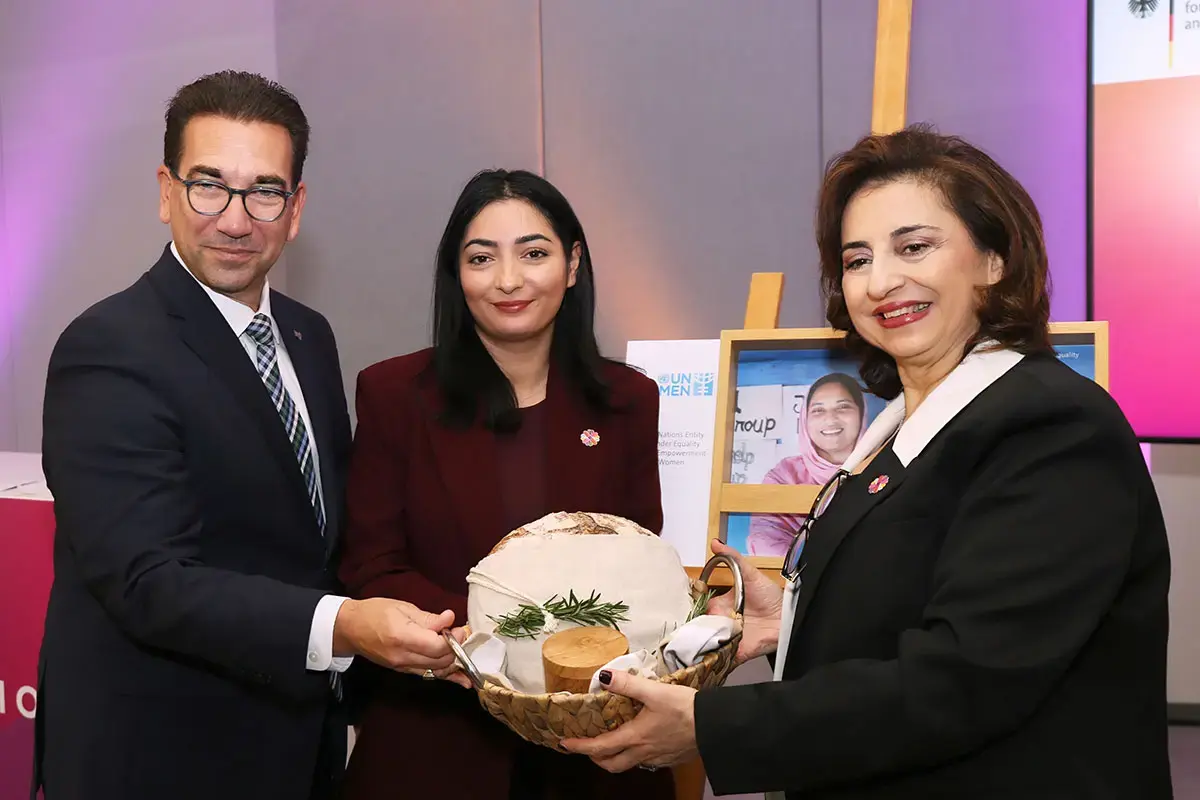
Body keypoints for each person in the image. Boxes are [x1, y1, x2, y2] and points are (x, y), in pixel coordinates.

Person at [562, 125, 1173, 798]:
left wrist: (714, 727)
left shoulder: (1051, 425)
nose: (881, 280)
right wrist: (789, 621)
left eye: (915, 246)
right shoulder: (898, 429)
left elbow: (963, 679)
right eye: (856, 260)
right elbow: (908, 596)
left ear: (995, 258)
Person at [34, 71, 462, 800]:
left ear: (295, 210)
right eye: (210, 185)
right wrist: (348, 626)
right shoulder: (108, 347)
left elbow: (321, 536)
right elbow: (148, 582)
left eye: (264, 190)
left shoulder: (307, 333)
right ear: (166, 191)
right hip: (161, 757)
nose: (236, 219)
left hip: (296, 745)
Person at [336, 169, 675, 799]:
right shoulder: (393, 395)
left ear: (573, 264)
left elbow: (637, 556)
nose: (509, 280)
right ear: (456, 275)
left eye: (535, 253)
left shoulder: (629, 400)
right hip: (437, 733)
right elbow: (371, 564)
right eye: (481, 258)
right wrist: (508, 637)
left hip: (593, 739)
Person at [747, 373, 867, 556]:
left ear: (862, 413)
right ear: (804, 419)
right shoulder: (783, 476)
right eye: (818, 410)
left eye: (843, 407)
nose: (830, 419)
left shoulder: (883, 468)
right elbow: (765, 542)